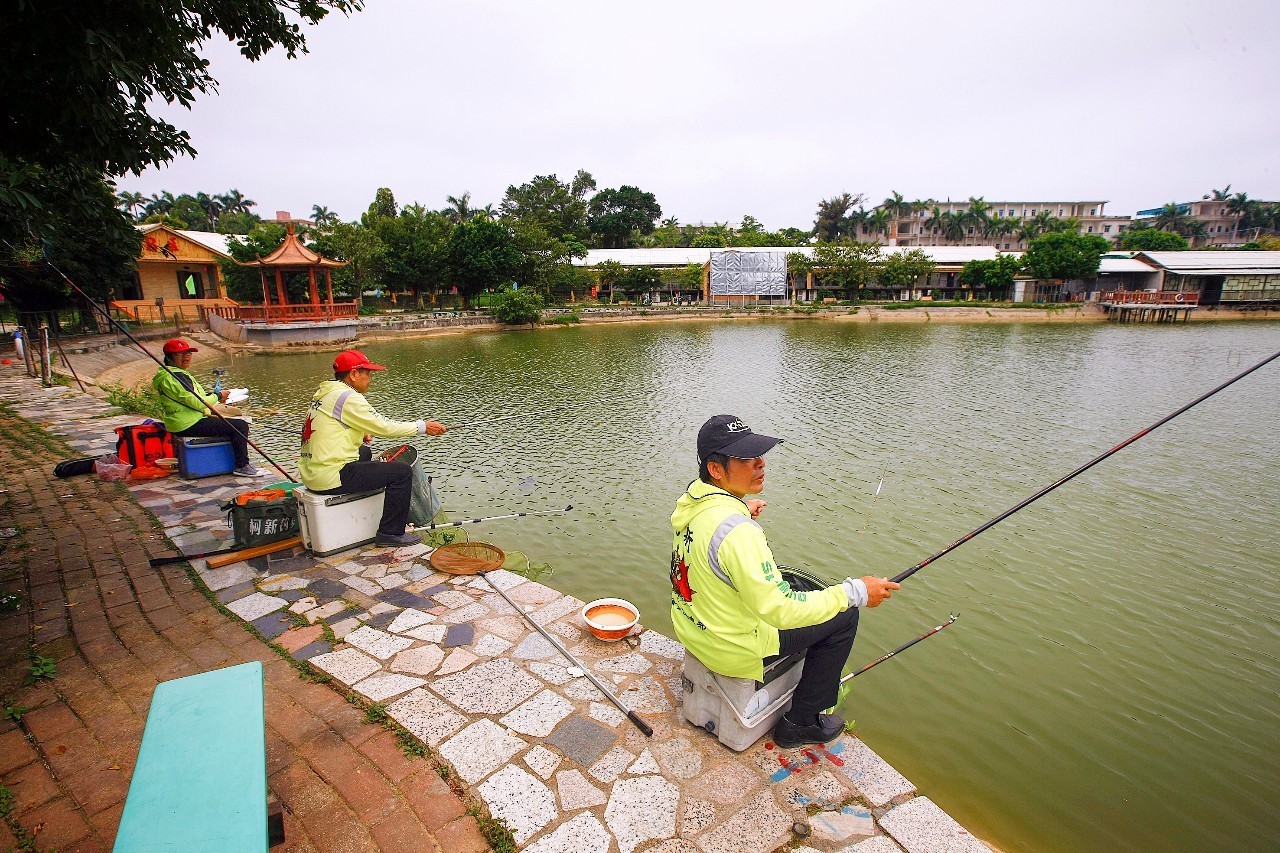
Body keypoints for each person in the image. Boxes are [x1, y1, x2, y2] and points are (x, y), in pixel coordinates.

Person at [669, 414, 900, 749]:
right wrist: (858, 591)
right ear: (717, 470)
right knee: (844, 614)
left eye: (759, 455)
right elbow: (780, 610)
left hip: (695, 629)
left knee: (798, 589)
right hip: (733, 648)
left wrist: (741, 509)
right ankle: (801, 722)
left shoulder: (692, 505)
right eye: (746, 459)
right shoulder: (738, 533)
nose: (760, 464)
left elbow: (713, 534)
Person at [298, 349, 447, 547]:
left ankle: (363, 508)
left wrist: (359, 433)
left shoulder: (326, 393)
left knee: (365, 452)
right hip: (330, 475)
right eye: (367, 374)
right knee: (401, 473)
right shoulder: (348, 397)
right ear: (353, 374)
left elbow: (334, 426)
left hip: (312, 473)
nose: (369, 379)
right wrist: (422, 427)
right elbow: (384, 426)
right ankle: (390, 533)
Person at [153, 339, 264, 477]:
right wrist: (217, 396)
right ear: (169, 357)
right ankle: (241, 465)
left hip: (185, 419)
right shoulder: (175, 377)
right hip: (188, 424)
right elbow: (199, 403)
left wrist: (214, 396)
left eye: (188, 353)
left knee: (233, 417)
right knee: (240, 426)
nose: (186, 357)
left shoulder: (172, 374)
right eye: (180, 354)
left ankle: (229, 460)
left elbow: (193, 398)